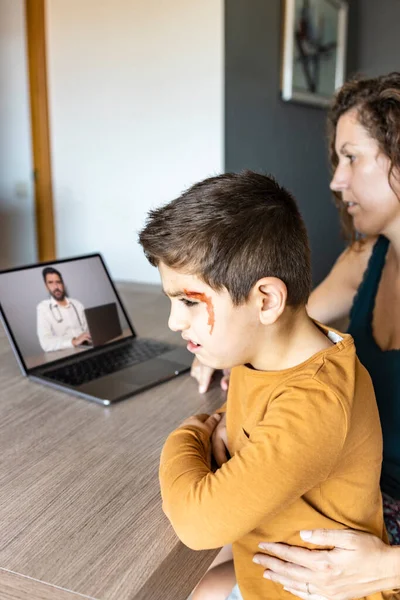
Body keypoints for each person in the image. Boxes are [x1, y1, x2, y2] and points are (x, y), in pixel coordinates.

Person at [192, 73, 400, 599]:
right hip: (354, 493)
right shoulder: (364, 261)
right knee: (211, 557)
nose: (336, 180)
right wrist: (219, 344)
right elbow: (284, 324)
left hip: (383, 547)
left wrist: (388, 567)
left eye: (352, 157)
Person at [139, 171, 391, 600]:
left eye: (187, 302)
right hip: (272, 574)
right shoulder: (269, 357)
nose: (174, 322)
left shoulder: (317, 402)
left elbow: (198, 524)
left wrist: (190, 432)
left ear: (266, 300)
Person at [37, 267, 91, 351]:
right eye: (50, 283)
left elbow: (88, 331)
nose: (56, 287)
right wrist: (73, 342)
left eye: (58, 282)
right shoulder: (43, 308)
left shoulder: (77, 304)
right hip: (66, 353)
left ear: (63, 284)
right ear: (46, 286)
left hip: (86, 348)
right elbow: (45, 343)